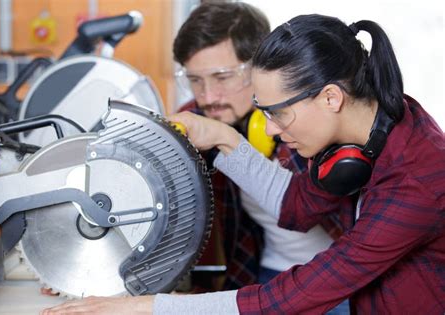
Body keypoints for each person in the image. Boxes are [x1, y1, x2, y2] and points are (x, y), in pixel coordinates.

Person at [42, 13, 445, 315]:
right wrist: (223, 139)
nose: (268, 130)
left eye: (278, 114)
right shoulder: (369, 127)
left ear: (330, 98)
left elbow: (298, 294)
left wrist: (149, 307)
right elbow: (298, 207)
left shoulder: (419, 180)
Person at [172, 1, 341, 294]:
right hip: (264, 272)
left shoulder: (309, 114)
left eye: (222, 77)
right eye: (195, 81)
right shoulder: (199, 120)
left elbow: (307, 209)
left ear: (260, 68)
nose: (209, 96)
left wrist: (227, 140)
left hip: (337, 273)